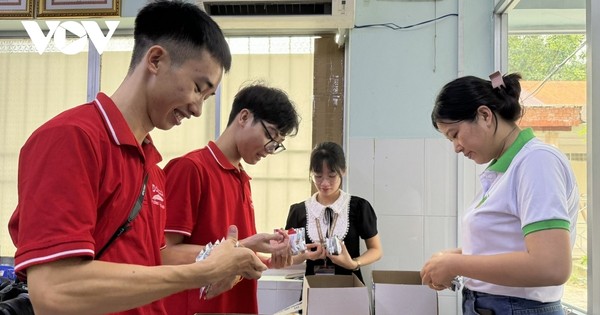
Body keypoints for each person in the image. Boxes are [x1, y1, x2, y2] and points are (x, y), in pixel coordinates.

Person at [7, 1, 267, 315]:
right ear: (156, 60)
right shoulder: (71, 138)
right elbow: (54, 290)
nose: (198, 109)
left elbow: (151, 268)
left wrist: (226, 262)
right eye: (198, 88)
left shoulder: (152, 169)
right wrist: (203, 272)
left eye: (207, 98)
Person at [420, 72, 579, 315]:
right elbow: (511, 245)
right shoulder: (505, 171)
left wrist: (456, 263)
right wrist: (454, 257)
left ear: (484, 115)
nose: (456, 147)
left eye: (455, 134)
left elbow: (551, 266)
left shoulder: (537, 161)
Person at [161, 83, 301, 314]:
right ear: (244, 117)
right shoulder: (191, 169)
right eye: (270, 136)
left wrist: (269, 261)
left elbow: (236, 258)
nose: (270, 149)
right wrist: (244, 246)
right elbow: (164, 254)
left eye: (277, 145)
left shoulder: (242, 179)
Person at [285, 141, 382, 283]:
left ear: (343, 171)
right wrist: (305, 256)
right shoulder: (298, 211)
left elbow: (376, 250)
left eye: (331, 176)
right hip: (313, 287)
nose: (324, 183)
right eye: (318, 176)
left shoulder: (359, 207)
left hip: (350, 286)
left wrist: (354, 263)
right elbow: (289, 257)